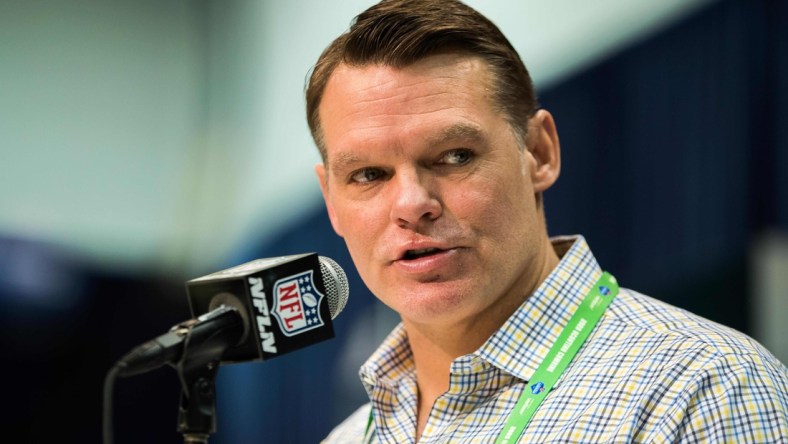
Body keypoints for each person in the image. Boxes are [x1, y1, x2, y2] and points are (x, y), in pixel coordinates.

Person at [305, 0, 788, 442]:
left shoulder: (702, 389)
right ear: (331, 199)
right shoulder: (347, 438)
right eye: (369, 174)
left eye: (454, 156)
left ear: (539, 152)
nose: (412, 204)